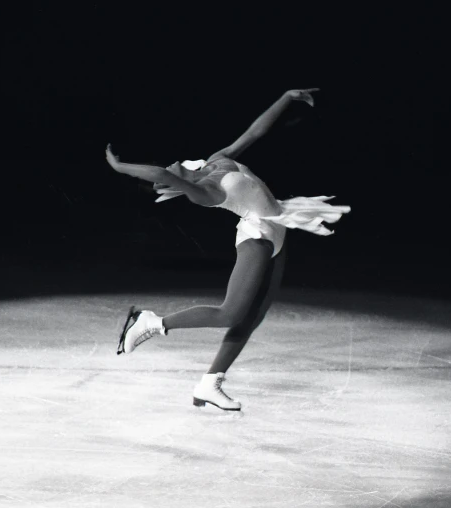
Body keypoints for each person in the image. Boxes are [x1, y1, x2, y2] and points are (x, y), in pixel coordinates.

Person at [105, 88, 350, 411]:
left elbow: (253, 132)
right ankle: (150, 322)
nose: (169, 168)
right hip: (257, 235)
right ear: (172, 185)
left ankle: (210, 383)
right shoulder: (203, 191)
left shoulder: (216, 161)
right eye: (165, 179)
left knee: (253, 316)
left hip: (280, 226)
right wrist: (120, 168)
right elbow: (161, 173)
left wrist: (286, 97)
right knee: (230, 313)